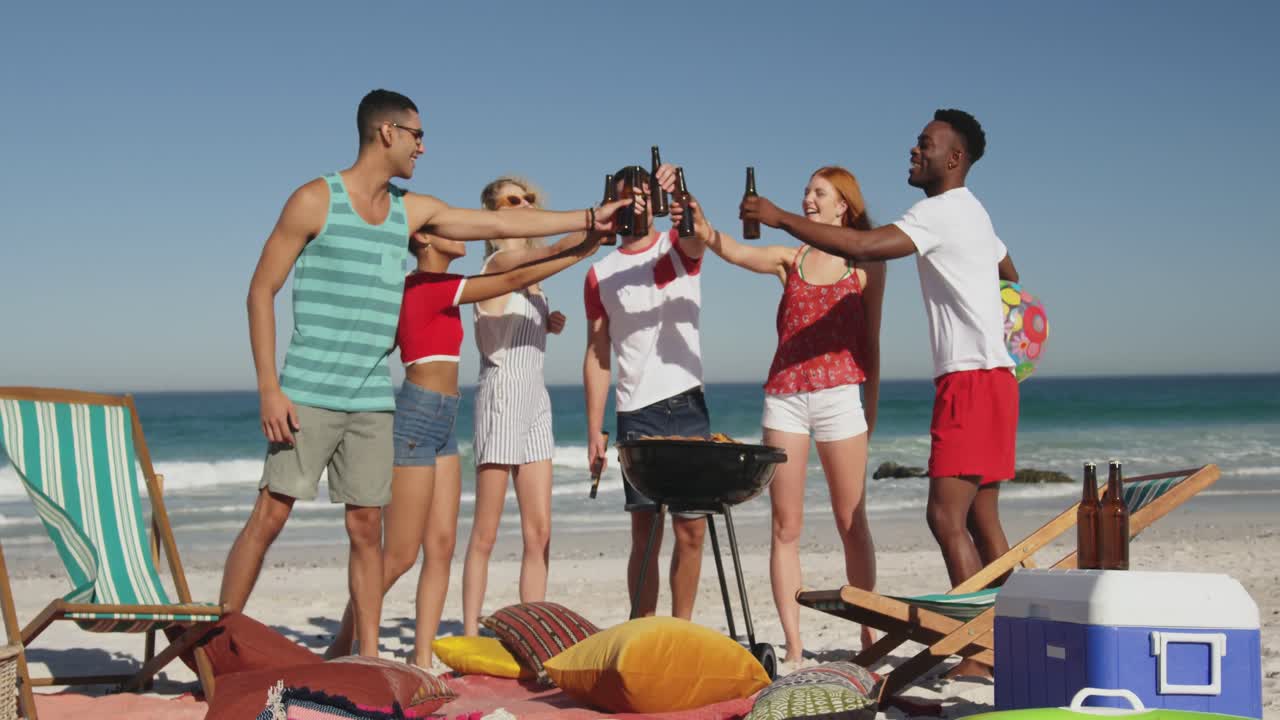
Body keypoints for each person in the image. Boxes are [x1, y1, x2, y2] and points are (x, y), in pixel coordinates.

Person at [227, 88, 625, 658]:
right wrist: (270, 387)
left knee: (368, 532)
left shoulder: (411, 210)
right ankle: (214, 646)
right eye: (417, 135)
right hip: (309, 391)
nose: (423, 146)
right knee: (269, 516)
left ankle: (364, 658)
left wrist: (590, 217)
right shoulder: (314, 200)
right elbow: (260, 290)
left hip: (374, 398)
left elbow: (490, 222)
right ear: (386, 132)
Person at [741, 109, 1019, 679]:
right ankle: (1021, 638)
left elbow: (864, 244)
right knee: (982, 520)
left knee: (945, 517)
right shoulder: (975, 211)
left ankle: (978, 655)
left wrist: (780, 217)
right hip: (997, 377)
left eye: (925, 144)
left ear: (955, 158)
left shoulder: (938, 212)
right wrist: (1000, 324)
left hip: (967, 378)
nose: (914, 150)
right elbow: (1009, 273)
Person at [327, 227, 606, 665]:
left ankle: (422, 659)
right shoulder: (428, 286)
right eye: (446, 230)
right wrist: (587, 244)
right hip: (416, 414)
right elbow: (510, 280)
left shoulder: (441, 288)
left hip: (446, 416)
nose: (460, 234)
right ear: (424, 239)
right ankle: (351, 643)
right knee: (399, 555)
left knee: (441, 547)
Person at [662, 165, 884, 666]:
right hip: (785, 398)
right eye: (806, 191)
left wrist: (869, 407)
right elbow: (732, 250)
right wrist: (704, 225)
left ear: (842, 205)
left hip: (840, 396)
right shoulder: (791, 257)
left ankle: (870, 634)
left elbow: (871, 340)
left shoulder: (865, 263)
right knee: (785, 526)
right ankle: (794, 644)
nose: (808, 199)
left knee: (851, 521)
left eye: (819, 193)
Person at [584, 165, 709, 620]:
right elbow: (597, 353)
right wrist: (594, 429)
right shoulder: (600, 274)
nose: (637, 203)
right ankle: (643, 630)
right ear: (615, 204)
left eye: (644, 195)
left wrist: (683, 196)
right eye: (628, 196)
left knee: (692, 532)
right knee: (646, 535)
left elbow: (698, 234)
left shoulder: (676, 244)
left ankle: (681, 629)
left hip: (688, 404)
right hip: (636, 413)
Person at [460, 176, 569, 636]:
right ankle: (469, 631)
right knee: (485, 532)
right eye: (513, 200)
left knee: (539, 533)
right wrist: (594, 230)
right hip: (502, 392)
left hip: (535, 396)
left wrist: (548, 322)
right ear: (493, 213)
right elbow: (552, 253)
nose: (524, 205)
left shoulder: (534, 283)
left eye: (529, 199)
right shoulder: (499, 263)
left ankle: (534, 631)